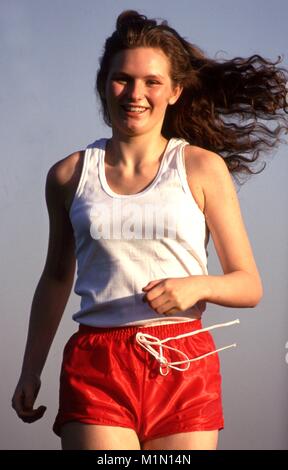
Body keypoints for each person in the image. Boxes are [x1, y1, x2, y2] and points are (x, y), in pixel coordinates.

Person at [12, 10, 288, 451]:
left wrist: (193, 286)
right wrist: (30, 370)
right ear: (104, 84)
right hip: (97, 366)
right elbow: (56, 277)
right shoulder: (67, 175)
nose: (135, 93)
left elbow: (248, 285)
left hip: (184, 363)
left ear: (175, 90)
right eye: (122, 79)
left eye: (152, 82)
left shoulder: (201, 168)